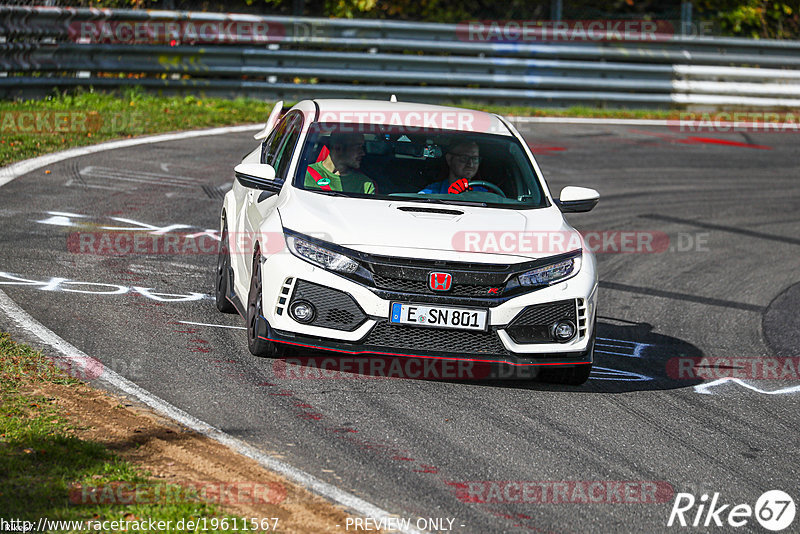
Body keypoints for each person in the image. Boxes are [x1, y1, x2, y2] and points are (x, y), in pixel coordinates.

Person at [305, 133, 376, 194]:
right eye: (358, 147)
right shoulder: (304, 175)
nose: (363, 153)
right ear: (338, 148)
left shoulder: (365, 185)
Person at [419, 140, 486, 194]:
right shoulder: (431, 194)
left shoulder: (484, 195)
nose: (470, 164)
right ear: (449, 159)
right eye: (464, 158)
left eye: (475, 159)